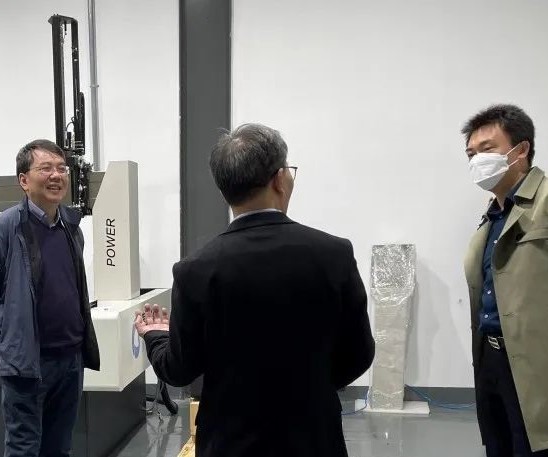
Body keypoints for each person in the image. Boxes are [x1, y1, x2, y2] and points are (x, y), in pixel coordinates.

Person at [134, 123, 375, 456]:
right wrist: (311, 387)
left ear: (225, 191)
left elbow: (179, 369)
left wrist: (156, 336)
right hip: (313, 438)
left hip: (230, 443)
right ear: (279, 179)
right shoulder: (334, 254)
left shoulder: (195, 270)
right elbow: (359, 353)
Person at [0, 139, 100, 457]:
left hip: (70, 360)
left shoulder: (71, 228)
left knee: (59, 448)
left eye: (62, 168)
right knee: (24, 448)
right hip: (28, 363)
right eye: (46, 168)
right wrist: (3, 336)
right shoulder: (1, 231)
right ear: (24, 180)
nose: (56, 175)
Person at [462, 104, 548, 456]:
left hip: (535, 361)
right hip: (492, 357)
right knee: (500, 444)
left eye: (487, 149)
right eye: (471, 154)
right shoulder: (492, 215)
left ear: (521, 149)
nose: (477, 160)